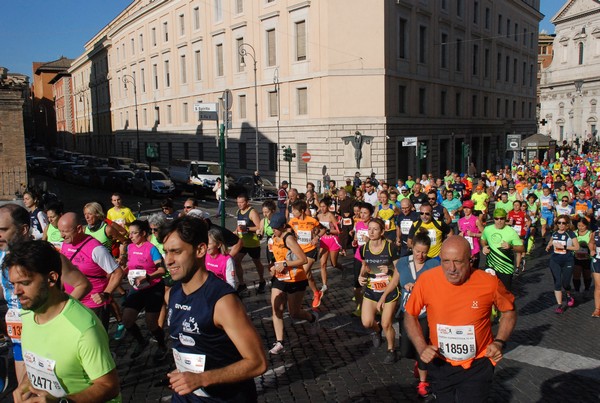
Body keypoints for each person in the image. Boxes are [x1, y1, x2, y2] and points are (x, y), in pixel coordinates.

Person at [160, 216, 268, 400]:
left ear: (201, 250)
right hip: (185, 396)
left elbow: (258, 362)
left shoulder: (223, 301)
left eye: (176, 252)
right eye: (166, 252)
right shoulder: (172, 293)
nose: (168, 260)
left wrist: (202, 378)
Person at [404, 236, 517, 402]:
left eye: (458, 261)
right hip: (440, 363)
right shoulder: (427, 280)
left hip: (477, 365)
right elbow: (410, 314)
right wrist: (422, 348)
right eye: (446, 261)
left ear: (470, 260)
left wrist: (500, 342)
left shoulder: (489, 283)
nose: (452, 268)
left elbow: (509, 312)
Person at [6, 240, 121, 402]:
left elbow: (109, 386)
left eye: (25, 283)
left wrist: (63, 401)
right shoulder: (27, 314)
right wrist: (25, 383)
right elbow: (37, 361)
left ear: (51, 278)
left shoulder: (84, 329)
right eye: (13, 284)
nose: (17, 292)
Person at [0, 204, 92, 391]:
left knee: (52, 394)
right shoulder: (2, 256)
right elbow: (6, 291)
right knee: (26, 395)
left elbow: (82, 284)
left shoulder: (45, 255)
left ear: (23, 229)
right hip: (18, 339)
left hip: (47, 337)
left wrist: (57, 317)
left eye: (3, 230)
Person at [380, 231, 438, 397]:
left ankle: (423, 382)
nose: (421, 255)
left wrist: (420, 288)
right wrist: (384, 296)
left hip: (425, 314)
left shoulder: (433, 265)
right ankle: (417, 362)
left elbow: (439, 288)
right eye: (418, 251)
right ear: (412, 247)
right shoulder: (403, 262)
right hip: (407, 313)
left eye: (424, 252)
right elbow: (395, 281)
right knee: (406, 350)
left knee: (423, 348)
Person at [59, 212, 124, 329]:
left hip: (94, 305)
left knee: (96, 342)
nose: (61, 235)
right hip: (73, 302)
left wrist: (106, 294)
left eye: (65, 231)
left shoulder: (96, 249)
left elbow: (117, 272)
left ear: (79, 229)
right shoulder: (65, 244)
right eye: (60, 231)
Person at [267, 213, 320, 355]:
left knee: (294, 313)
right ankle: (280, 342)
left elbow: (303, 259)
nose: (274, 231)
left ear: (283, 227)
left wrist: (285, 264)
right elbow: (274, 257)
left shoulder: (288, 239)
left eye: (276, 228)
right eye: (272, 228)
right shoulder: (273, 237)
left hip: (296, 278)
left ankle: (312, 318)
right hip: (280, 278)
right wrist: (272, 266)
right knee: (276, 308)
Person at [121, 219, 168, 361]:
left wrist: (148, 276)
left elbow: (162, 269)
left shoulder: (151, 249)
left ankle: (162, 346)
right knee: (127, 321)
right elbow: (131, 265)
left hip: (153, 288)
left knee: (151, 323)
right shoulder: (130, 248)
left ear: (143, 233)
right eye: (130, 233)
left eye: (134, 233)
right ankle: (142, 342)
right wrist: (123, 270)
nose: (131, 236)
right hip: (137, 288)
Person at [358, 218, 400, 365]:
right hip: (371, 289)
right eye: (369, 228)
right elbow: (364, 266)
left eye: (375, 229)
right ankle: (376, 331)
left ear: (382, 232)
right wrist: (360, 277)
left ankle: (391, 350)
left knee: (387, 323)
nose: (371, 231)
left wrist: (389, 269)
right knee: (367, 322)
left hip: (388, 291)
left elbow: (399, 270)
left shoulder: (391, 248)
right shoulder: (364, 248)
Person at [289, 200, 326, 307]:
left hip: (311, 250)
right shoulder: (292, 221)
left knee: (303, 272)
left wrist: (317, 237)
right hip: (299, 251)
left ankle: (296, 299)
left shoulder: (312, 220)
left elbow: (323, 229)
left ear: (301, 211)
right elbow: (287, 230)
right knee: (308, 275)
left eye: (294, 211)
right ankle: (316, 293)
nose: (293, 213)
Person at [480, 208, 524, 291]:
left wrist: (511, 246)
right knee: (490, 292)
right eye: (496, 219)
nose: (499, 221)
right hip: (490, 266)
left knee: (504, 294)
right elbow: (483, 240)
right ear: (493, 219)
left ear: (505, 218)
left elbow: (521, 248)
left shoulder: (511, 232)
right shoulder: (488, 229)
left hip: (506, 268)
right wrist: (484, 247)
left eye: (502, 218)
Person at [545, 215, 579, 314]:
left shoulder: (570, 234)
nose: (561, 225)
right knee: (557, 282)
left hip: (568, 260)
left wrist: (565, 246)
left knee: (565, 283)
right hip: (555, 260)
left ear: (567, 224)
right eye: (558, 223)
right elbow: (551, 241)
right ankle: (559, 305)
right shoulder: (554, 233)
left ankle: (568, 295)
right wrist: (548, 245)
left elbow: (577, 247)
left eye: (563, 223)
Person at [233, 194, 266, 294]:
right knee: (236, 261)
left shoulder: (252, 212)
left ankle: (262, 280)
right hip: (242, 242)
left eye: (242, 202)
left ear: (247, 202)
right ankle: (242, 284)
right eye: (238, 202)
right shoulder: (238, 211)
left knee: (256, 262)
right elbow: (238, 227)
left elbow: (259, 227)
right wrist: (233, 233)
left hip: (253, 243)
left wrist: (247, 229)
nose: (239, 204)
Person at [457, 200, 484, 269]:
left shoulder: (476, 220)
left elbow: (484, 234)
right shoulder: (460, 221)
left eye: (468, 208)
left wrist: (474, 234)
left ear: (472, 209)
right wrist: (460, 236)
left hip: (474, 249)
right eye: (464, 208)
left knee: (474, 269)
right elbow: (459, 233)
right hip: (464, 248)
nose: (465, 210)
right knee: (465, 269)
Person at [573, 217, 593, 295]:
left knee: (587, 275)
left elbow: (592, 245)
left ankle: (587, 289)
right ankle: (577, 290)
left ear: (586, 226)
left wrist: (586, 245)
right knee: (576, 274)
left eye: (582, 226)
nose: (580, 227)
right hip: (576, 257)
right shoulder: (574, 233)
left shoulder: (590, 234)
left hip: (587, 258)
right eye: (579, 226)